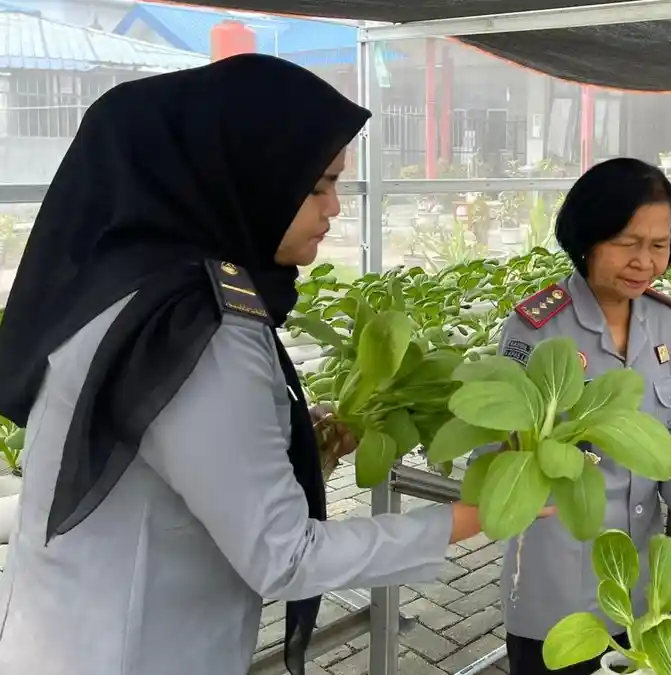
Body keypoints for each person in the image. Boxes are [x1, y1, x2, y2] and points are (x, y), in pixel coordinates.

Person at [0, 54, 489, 675]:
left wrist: (287, 451)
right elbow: (285, 557)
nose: (333, 208)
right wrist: (471, 516)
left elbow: (168, 466)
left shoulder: (125, 291)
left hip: (66, 633)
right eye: (317, 186)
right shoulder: (197, 331)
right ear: (243, 178)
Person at [489, 157, 671, 675]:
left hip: (640, 584)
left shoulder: (662, 322)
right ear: (588, 237)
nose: (644, 261)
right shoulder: (537, 329)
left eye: (659, 246)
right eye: (626, 242)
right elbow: (499, 448)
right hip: (558, 587)